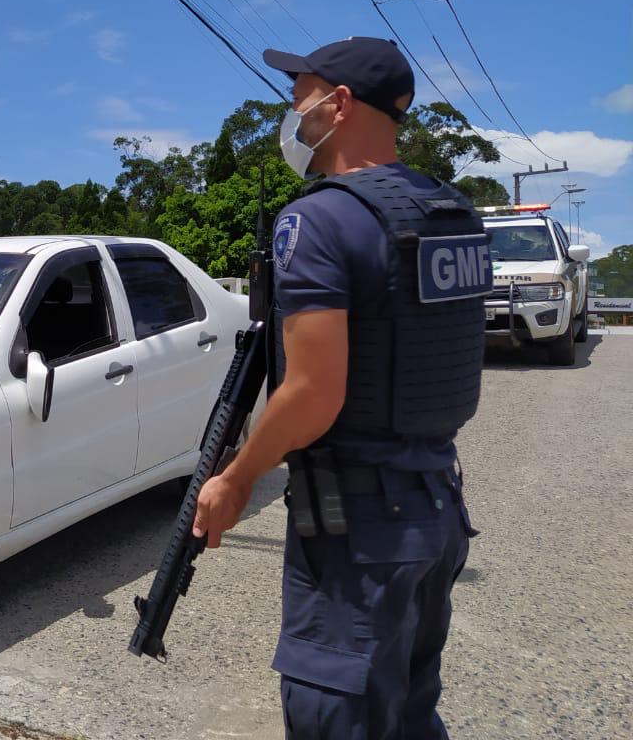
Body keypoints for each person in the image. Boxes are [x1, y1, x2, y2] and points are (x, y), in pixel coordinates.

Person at [192, 37, 485, 739]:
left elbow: (312, 394)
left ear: (340, 104)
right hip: (437, 509)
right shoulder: (452, 213)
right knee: (410, 713)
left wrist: (236, 479)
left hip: (357, 532)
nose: (293, 114)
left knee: (336, 718)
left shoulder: (318, 219)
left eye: (300, 99)